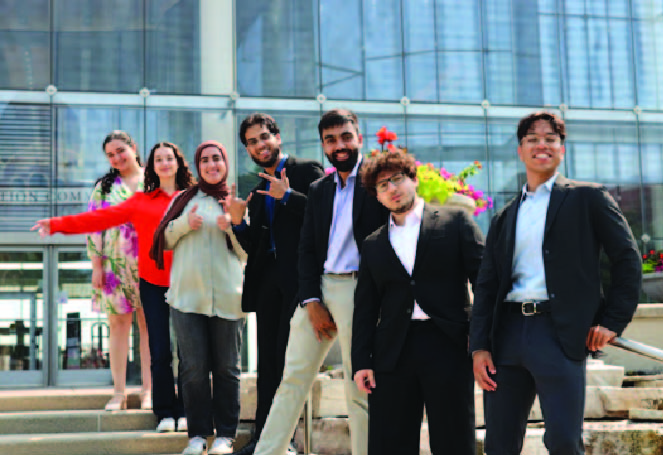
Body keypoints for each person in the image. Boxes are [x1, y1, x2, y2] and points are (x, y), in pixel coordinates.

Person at [470, 112, 642, 455]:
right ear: (521, 150)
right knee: (499, 444)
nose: (542, 145)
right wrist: (479, 347)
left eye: (550, 138)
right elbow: (487, 285)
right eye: (532, 139)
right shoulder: (505, 216)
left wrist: (612, 321)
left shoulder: (588, 198)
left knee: (563, 441)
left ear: (562, 149)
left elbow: (627, 259)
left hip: (559, 333)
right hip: (506, 336)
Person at [252, 109, 388, 455]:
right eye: (331, 139)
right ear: (324, 145)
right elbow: (307, 248)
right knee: (291, 381)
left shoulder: (377, 183)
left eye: (345, 136)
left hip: (361, 292)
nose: (339, 145)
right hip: (320, 290)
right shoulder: (319, 189)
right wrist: (311, 299)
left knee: (360, 391)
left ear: (359, 138)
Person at [32, 142, 194, 432]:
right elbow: (98, 219)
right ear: (153, 166)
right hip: (152, 284)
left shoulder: (192, 198)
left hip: (188, 282)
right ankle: (165, 414)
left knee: (188, 352)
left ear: (178, 163)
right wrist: (56, 224)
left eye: (170, 158)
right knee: (160, 352)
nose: (165, 163)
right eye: (159, 159)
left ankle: (186, 411)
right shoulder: (141, 200)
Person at [352, 149, 484, 455]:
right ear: (377, 196)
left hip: (448, 344)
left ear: (413, 179)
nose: (392, 189)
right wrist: (362, 362)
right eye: (382, 186)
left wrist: (480, 340)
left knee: (453, 439)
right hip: (393, 351)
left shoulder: (456, 222)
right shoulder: (373, 243)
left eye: (397, 180)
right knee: (390, 442)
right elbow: (366, 307)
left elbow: (484, 283)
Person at [227, 113, 324, 455]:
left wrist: (288, 196)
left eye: (264, 137)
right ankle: (263, 441)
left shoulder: (306, 170)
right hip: (267, 282)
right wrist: (238, 223)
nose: (259, 145)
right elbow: (254, 244)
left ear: (277, 137)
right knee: (268, 363)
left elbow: (326, 215)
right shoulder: (256, 187)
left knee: (291, 364)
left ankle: (289, 442)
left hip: (300, 282)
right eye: (252, 142)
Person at [152, 140, 246, 455]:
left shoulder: (236, 202)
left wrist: (232, 228)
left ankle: (226, 436)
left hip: (228, 298)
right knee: (192, 368)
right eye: (205, 160)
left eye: (216, 159)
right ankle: (197, 436)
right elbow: (162, 239)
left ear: (225, 163)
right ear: (197, 165)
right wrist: (184, 224)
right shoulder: (183, 199)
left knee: (227, 369)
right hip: (186, 299)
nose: (211, 164)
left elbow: (249, 253)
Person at [82, 131, 151, 411]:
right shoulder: (103, 187)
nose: (117, 158)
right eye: (111, 155)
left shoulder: (155, 180)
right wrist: (96, 266)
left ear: (133, 147)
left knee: (149, 328)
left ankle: (149, 391)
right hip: (113, 267)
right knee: (117, 327)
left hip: (150, 266)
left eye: (121, 151)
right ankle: (119, 393)